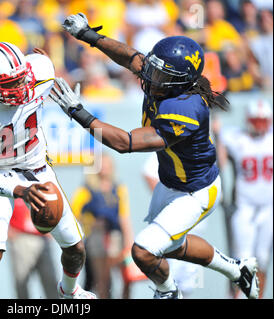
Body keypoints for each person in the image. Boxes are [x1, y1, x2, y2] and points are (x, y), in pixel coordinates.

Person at [49, 12, 260, 299]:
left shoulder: (186, 108)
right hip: (171, 182)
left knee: (144, 251)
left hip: (195, 192)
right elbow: (131, 57)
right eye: (154, 68)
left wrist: (79, 113)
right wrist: (88, 34)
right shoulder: (166, 80)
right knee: (171, 245)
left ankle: (169, 292)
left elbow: (125, 143)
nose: (150, 75)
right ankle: (237, 270)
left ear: (179, 82)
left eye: (161, 73)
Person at [0, 42, 95, 299]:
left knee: (75, 248)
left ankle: (69, 292)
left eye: (22, 79)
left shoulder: (39, 73)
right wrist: (20, 190)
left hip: (37, 167)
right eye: (10, 83)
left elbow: (43, 68)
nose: (20, 88)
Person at [216, 99, 273, 299]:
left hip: (268, 207)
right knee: (241, 258)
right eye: (256, 120)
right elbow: (219, 142)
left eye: (263, 121)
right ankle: (237, 296)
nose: (259, 125)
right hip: (245, 207)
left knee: (263, 259)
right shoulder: (237, 138)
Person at [71, 153, 143, 299]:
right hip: (96, 238)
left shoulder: (118, 188)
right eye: (101, 165)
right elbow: (73, 213)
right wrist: (91, 222)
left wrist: (129, 242)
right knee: (102, 280)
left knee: (127, 276)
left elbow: (124, 216)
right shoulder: (86, 190)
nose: (104, 168)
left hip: (115, 236)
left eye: (107, 164)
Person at [142, 152, 208, 298]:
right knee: (171, 278)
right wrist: (169, 200)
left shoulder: (204, 145)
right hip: (174, 223)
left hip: (195, 225)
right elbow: (148, 172)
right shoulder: (173, 145)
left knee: (187, 282)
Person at [7, 198, 58, 299]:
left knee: (50, 281)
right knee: (21, 283)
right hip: (21, 237)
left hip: (42, 238)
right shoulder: (12, 185)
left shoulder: (44, 186)